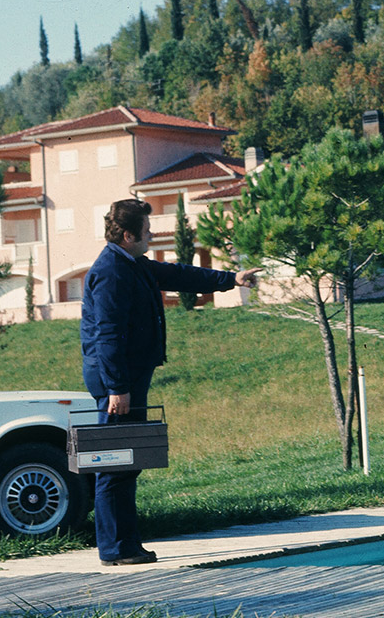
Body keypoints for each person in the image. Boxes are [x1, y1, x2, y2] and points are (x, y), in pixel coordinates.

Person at [80, 198, 260, 566]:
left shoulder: (132, 264)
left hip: (127, 378)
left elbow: (179, 275)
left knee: (126, 461)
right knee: (115, 463)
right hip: (118, 383)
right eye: (146, 231)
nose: (151, 236)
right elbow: (107, 334)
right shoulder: (111, 272)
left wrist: (231, 279)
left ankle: (125, 545)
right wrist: (117, 388)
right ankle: (115, 549)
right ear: (128, 235)